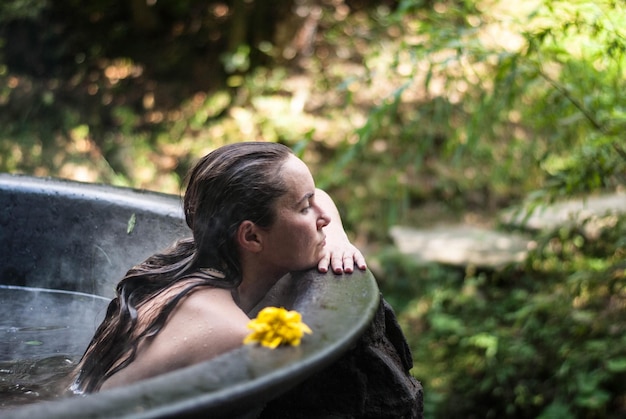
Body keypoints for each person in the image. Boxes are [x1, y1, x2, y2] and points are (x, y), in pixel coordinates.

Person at [70, 141, 367, 393]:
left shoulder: (193, 270)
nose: (323, 217)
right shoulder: (230, 333)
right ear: (251, 236)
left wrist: (337, 239)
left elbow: (322, 199)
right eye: (305, 208)